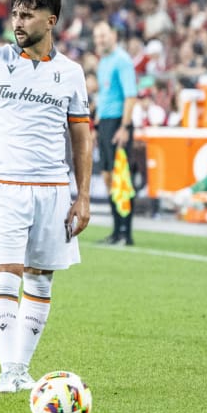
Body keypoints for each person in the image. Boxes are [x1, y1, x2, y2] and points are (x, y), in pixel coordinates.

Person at [0, 0, 92, 394]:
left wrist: (82, 195)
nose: (18, 21)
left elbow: (82, 138)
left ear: (50, 21)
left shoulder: (70, 72)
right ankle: (8, 372)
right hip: (4, 185)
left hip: (53, 188)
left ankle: (20, 367)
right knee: (4, 273)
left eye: (28, 15)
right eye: (15, 14)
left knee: (40, 279)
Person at [92, 22, 138, 245]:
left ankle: (126, 233)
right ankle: (116, 229)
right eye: (97, 37)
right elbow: (105, 95)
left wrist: (125, 127)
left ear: (113, 35)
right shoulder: (104, 62)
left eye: (103, 36)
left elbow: (131, 95)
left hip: (119, 122)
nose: (99, 41)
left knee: (122, 178)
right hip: (106, 123)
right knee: (109, 177)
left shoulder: (122, 60)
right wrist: (97, 125)